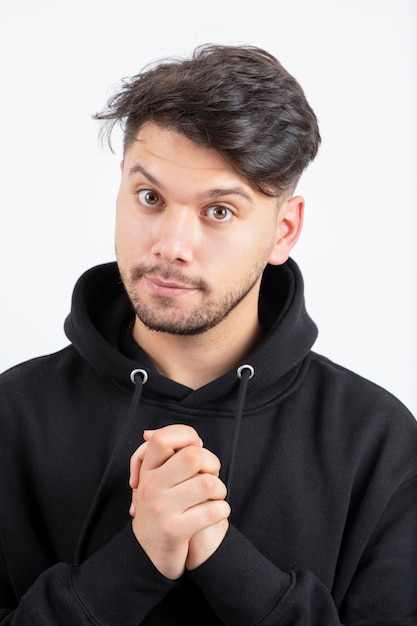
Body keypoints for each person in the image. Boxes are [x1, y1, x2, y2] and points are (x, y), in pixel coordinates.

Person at [0, 43, 416, 625]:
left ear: (284, 230)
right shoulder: (13, 415)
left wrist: (227, 563)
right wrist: (135, 562)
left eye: (218, 211)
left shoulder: (379, 441)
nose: (170, 244)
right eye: (150, 198)